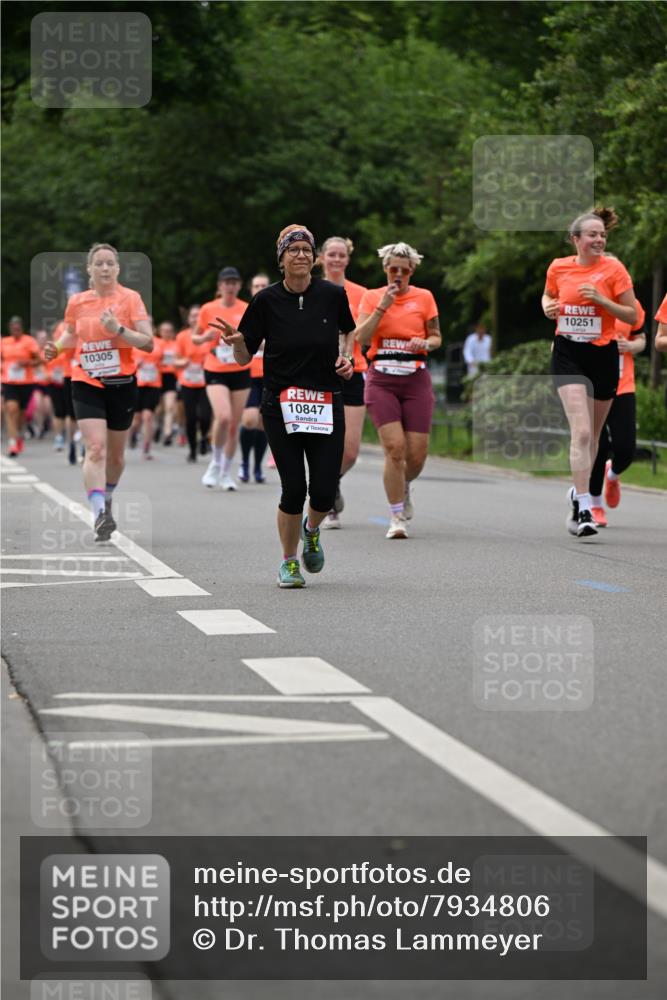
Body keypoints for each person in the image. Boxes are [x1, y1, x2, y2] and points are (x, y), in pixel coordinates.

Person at [212, 224, 354, 587]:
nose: (302, 255)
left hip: (325, 401)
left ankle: (312, 529)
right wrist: (236, 342)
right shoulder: (266, 301)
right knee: (293, 488)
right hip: (281, 404)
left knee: (323, 492)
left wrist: (347, 359)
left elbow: (347, 331)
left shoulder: (332, 295)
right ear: (281, 259)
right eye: (294, 250)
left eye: (307, 250)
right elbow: (244, 357)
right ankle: (289, 562)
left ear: (315, 258)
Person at [44, 243, 153, 541]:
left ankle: (106, 497)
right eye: (99, 264)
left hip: (122, 384)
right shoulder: (77, 301)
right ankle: (98, 514)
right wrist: (56, 348)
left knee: (115, 458)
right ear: (89, 270)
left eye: (110, 263)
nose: (104, 268)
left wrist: (118, 329)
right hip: (86, 381)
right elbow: (70, 334)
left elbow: (148, 342)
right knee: (95, 449)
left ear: (117, 268)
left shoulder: (131, 299)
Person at [541, 207, 637, 538]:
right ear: (576, 239)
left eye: (602, 235)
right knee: (581, 432)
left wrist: (602, 300)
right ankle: (584, 505)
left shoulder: (614, 269)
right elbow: (548, 296)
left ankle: (577, 491)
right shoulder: (558, 267)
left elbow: (632, 313)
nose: (599, 239)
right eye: (593, 235)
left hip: (603, 355)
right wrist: (546, 307)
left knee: (594, 436)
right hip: (568, 353)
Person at [354, 241, 441, 539]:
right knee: (394, 449)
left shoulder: (425, 297)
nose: (398, 275)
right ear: (385, 269)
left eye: (404, 270)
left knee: (417, 454)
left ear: (412, 271)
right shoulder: (371, 297)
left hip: (415, 377)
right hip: (381, 379)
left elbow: (437, 336)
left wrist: (426, 343)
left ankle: (403, 485)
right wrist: (382, 307)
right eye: (393, 269)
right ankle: (396, 516)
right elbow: (360, 336)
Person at [317, 236, 368, 529]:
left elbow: (361, 331)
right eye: (330, 255)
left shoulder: (361, 293)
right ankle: (325, 501)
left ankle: (331, 482)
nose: (335, 260)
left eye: (340, 255)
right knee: (323, 443)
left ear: (347, 258)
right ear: (322, 258)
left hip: (352, 371)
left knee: (349, 451)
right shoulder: (310, 289)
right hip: (317, 374)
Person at [588, 300, 646, 526]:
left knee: (626, 448)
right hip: (592, 386)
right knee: (598, 446)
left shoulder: (631, 305)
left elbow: (641, 339)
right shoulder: (586, 302)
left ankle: (612, 475)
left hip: (623, 385)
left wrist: (631, 347)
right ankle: (595, 504)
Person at [192, 267, 249, 490]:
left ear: (239, 285)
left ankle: (226, 472)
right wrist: (205, 337)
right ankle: (215, 463)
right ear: (220, 286)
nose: (230, 286)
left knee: (234, 425)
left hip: (239, 369)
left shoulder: (246, 308)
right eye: (227, 282)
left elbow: (254, 336)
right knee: (223, 417)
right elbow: (195, 338)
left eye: (234, 282)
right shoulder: (208, 309)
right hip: (215, 368)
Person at [239, 273, 270, 483]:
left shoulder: (278, 309)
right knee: (250, 420)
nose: (260, 288)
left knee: (263, 424)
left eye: (264, 285)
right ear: (251, 289)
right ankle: (244, 462)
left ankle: (258, 465)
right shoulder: (244, 311)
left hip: (271, 375)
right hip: (248, 375)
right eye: (256, 285)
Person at [174, 305, 212, 463]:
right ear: (188, 319)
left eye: (198, 315)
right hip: (188, 381)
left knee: (205, 416)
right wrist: (184, 362)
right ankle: (192, 449)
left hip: (206, 381)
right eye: (193, 316)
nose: (196, 318)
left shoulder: (209, 335)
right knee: (190, 418)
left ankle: (204, 437)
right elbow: (176, 360)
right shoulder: (182, 336)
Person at [1, 316, 41, 456]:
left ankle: (19, 435)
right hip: (9, 381)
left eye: (18, 328)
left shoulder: (29, 341)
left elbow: (39, 360)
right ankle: (12, 443)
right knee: (11, 409)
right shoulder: (4, 342)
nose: (15, 330)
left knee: (21, 415)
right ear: (10, 329)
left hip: (26, 382)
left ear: (21, 328)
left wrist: (26, 363)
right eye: (13, 328)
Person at [132, 331, 164, 460]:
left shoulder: (159, 343)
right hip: (137, 384)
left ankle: (146, 448)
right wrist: (136, 364)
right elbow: (126, 362)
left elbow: (166, 361)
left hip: (153, 384)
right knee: (136, 418)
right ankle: (134, 433)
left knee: (148, 416)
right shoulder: (132, 341)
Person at [156, 321, 179, 445]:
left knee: (170, 406)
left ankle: (167, 433)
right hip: (156, 377)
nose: (167, 333)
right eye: (164, 331)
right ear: (160, 332)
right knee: (159, 408)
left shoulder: (176, 344)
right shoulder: (155, 343)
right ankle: (158, 426)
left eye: (169, 331)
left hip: (171, 376)